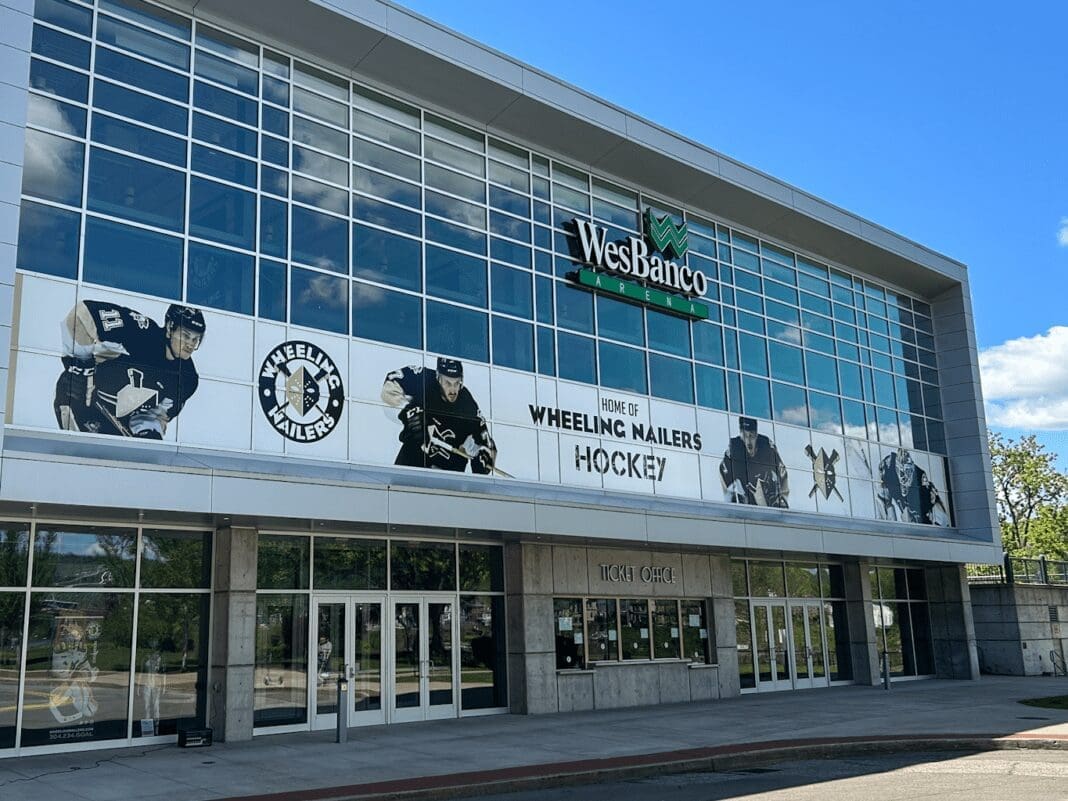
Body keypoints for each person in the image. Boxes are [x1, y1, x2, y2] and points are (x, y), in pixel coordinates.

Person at [53, 300, 206, 439]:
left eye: (195, 339)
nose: (190, 344)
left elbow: (155, 416)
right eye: (185, 335)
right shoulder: (141, 333)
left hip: (115, 422)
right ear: (169, 328)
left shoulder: (186, 378)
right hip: (79, 402)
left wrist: (149, 432)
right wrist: (80, 367)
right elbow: (82, 314)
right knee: (81, 461)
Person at [381, 357, 497, 473]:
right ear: (438, 377)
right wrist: (409, 413)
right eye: (448, 383)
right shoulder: (424, 379)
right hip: (410, 468)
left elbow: (488, 447)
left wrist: (484, 456)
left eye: (457, 383)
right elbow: (389, 387)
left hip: (447, 479)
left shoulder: (468, 405)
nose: (453, 390)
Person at [719, 416, 790, 508]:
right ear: (741, 435)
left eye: (751, 435)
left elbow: (782, 473)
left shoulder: (767, 447)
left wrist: (783, 497)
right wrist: (731, 501)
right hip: (746, 494)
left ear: (756, 434)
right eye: (745, 435)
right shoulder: (734, 449)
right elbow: (723, 474)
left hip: (766, 492)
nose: (748, 441)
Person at [876, 448, 949, 525]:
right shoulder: (888, 467)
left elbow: (935, 510)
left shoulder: (922, 484)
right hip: (904, 508)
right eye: (901, 471)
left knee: (910, 517)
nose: (904, 477)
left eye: (908, 471)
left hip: (922, 517)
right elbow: (883, 500)